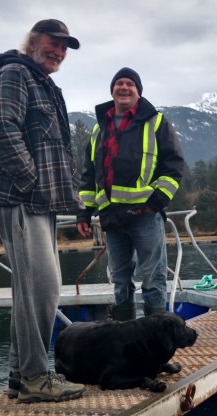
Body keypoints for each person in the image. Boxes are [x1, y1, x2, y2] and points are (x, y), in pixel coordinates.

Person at [0, 19, 85, 404]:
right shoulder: (14, 74)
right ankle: (36, 377)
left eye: (64, 47)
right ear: (32, 42)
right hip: (21, 199)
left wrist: (67, 197)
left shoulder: (42, 82)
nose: (59, 51)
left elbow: (54, 149)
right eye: (53, 42)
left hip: (40, 202)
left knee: (31, 290)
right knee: (43, 288)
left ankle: (20, 374)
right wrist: (30, 182)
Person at [76, 67, 185, 320]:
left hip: (145, 214)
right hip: (112, 217)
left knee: (153, 277)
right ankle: (124, 334)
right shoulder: (99, 128)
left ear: (138, 92)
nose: (124, 88)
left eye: (130, 84)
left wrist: (156, 201)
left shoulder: (156, 122)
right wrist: (84, 212)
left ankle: (156, 334)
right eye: (119, 83)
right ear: (112, 90)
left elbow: (174, 165)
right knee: (120, 280)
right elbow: (89, 174)